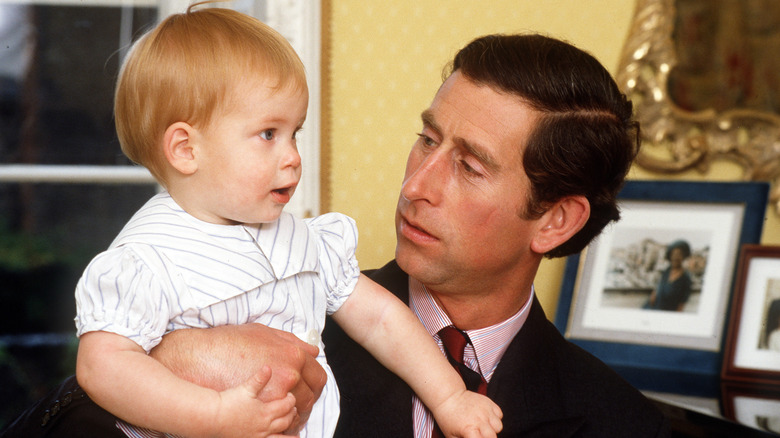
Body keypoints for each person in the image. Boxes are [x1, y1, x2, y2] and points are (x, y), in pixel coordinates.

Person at [1, 33, 669, 437]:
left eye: (468, 165)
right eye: (426, 140)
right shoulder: (292, 315)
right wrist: (171, 366)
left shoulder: (622, 425)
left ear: (555, 219)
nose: (416, 185)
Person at [36, 5, 504, 438]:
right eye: (268, 134)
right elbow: (103, 368)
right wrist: (214, 416)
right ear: (185, 149)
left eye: (294, 133)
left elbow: (382, 319)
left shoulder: (304, 241)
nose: (294, 158)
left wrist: (449, 395)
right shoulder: (147, 260)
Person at [643, 240, 693, 311]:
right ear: (670, 256)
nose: (676, 257)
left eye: (679, 254)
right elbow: (658, 288)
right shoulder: (666, 271)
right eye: (673, 254)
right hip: (652, 308)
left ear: (684, 256)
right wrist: (653, 295)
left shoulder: (686, 278)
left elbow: (682, 303)